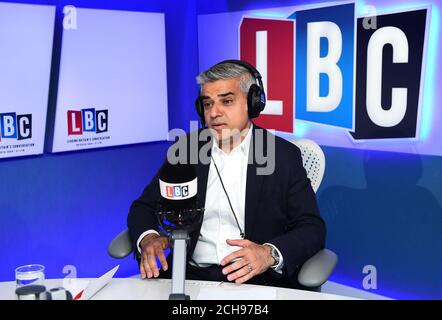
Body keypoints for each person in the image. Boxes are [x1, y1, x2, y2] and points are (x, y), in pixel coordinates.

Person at [127, 60, 326, 289]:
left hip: (257, 281)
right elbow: (144, 207)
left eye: (227, 101)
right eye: (207, 103)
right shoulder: (186, 150)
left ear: (252, 104)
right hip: (190, 276)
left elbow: (311, 228)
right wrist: (149, 238)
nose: (214, 112)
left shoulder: (283, 156)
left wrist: (268, 254)